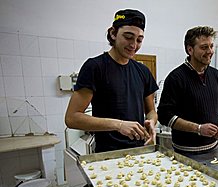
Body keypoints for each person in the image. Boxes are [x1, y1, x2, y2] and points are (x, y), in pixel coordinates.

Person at [65, 9, 158, 153]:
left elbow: (151, 110)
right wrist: (119, 125)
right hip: (108, 153)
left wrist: (151, 122)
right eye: (128, 37)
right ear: (113, 33)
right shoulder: (95, 67)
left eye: (139, 40)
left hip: (140, 151)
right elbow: (72, 118)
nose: (134, 45)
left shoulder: (142, 71)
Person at [157, 26, 218, 156]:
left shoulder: (216, 75)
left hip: (214, 149)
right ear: (190, 49)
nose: (210, 51)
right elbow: (164, 116)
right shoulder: (175, 78)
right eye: (204, 47)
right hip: (185, 153)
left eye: (211, 46)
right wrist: (199, 129)